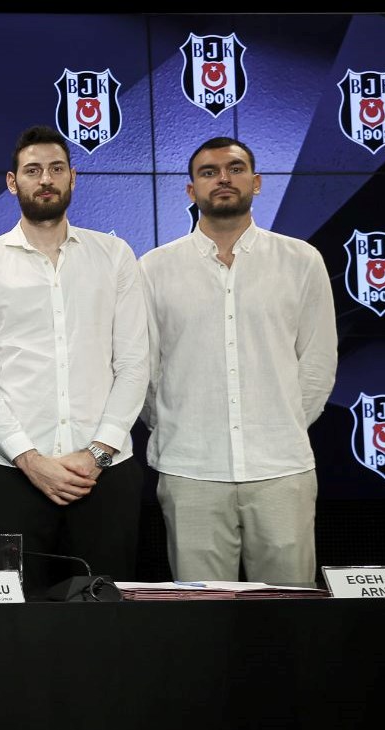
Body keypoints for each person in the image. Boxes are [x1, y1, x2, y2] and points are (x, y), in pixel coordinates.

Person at [0, 124, 149, 583]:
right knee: (19, 614)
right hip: (14, 475)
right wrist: (31, 461)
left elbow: (134, 364)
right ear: (12, 181)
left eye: (57, 168)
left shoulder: (115, 255)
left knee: (106, 610)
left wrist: (96, 454)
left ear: (73, 177)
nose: (45, 179)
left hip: (105, 474)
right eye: (33, 170)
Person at [139, 137, 338, 586]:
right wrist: (175, 424)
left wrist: (282, 421)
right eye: (209, 172)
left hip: (281, 467)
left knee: (289, 611)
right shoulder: (153, 268)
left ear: (257, 182)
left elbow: (317, 364)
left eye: (235, 168)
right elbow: (144, 371)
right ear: (191, 190)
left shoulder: (300, 261)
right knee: (202, 617)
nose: (223, 179)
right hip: (191, 468)